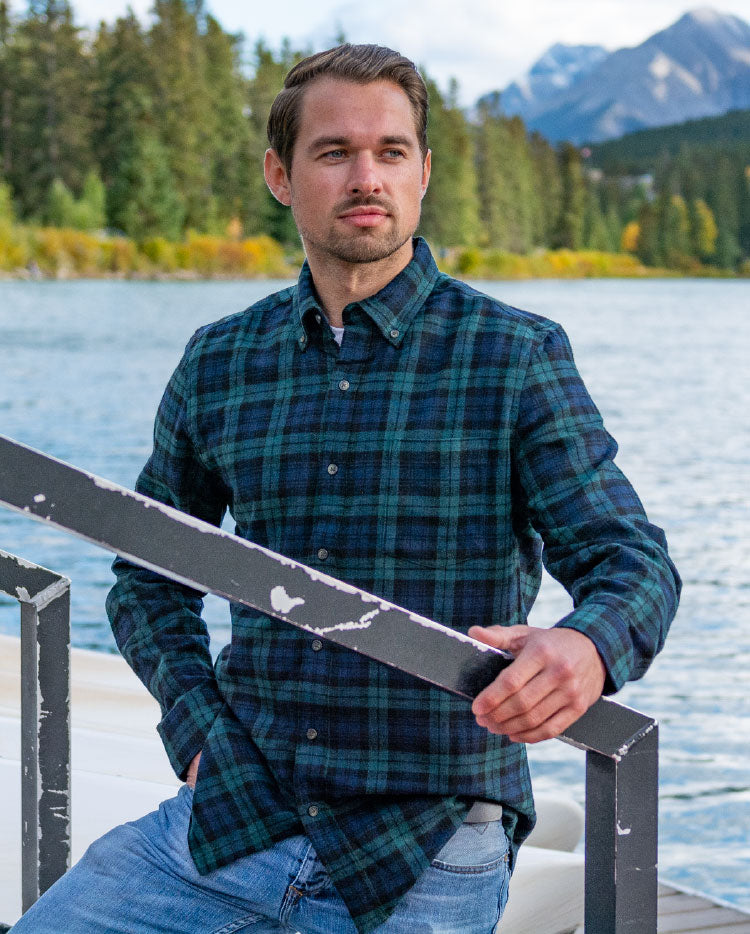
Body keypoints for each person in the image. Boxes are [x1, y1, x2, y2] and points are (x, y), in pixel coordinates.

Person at [11, 43, 680, 934]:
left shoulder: (514, 356)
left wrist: (588, 648)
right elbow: (147, 578)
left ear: (423, 171)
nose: (367, 176)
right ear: (281, 176)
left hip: (431, 839)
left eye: (391, 152)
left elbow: (632, 562)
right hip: (236, 815)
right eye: (335, 152)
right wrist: (199, 732)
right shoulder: (220, 360)